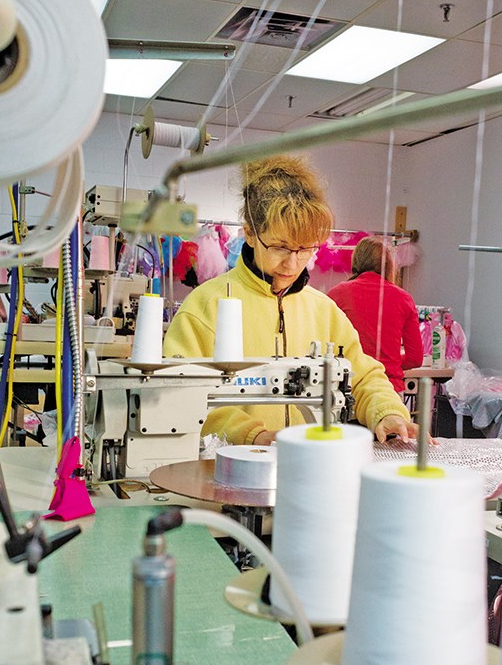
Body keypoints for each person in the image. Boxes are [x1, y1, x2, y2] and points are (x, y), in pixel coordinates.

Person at [163, 155, 420, 447]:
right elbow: (181, 392)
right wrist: (252, 435)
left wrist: (386, 412)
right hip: (227, 468)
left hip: (304, 468)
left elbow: (363, 378)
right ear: (250, 233)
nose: (292, 263)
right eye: (280, 247)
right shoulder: (203, 308)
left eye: (304, 249)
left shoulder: (324, 311)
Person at [327, 236, 423, 392]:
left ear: (356, 261)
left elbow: (324, 346)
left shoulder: (337, 294)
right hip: (388, 387)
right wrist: (388, 363)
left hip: (348, 386)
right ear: (389, 265)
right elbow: (415, 358)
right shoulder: (403, 298)